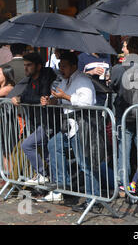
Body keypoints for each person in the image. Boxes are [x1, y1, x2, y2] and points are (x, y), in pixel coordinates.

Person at [41, 52, 100, 208]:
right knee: (54, 145)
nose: (61, 69)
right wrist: (49, 100)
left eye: (64, 66)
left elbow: (86, 102)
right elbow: (58, 98)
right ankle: (63, 185)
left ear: (74, 66)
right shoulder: (64, 80)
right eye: (60, 66)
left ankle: (93, 200)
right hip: (69, 126)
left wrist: (66, 97)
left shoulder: (82, 81)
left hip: (82, 125)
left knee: (85, 163)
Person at [109, 36, 138, 189]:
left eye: (124, 46)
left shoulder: (118, 69)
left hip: (124, 115)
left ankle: (123, 184)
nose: (122, 49)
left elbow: (113, 88)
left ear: (129, 48)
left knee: (123, 152)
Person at [12, 52, 57, 186]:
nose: (25, 68)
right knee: (48, 156)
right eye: (25, 65)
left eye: (29, 65)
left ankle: (43, 174)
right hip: (38, 122)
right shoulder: (32, 79)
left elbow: (42, 97)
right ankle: (52, 185)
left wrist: (26, 98)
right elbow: (26, 95)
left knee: (27, 145)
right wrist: (20, 98)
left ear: (38, 66)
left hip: (48, 122)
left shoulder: (47, 77)